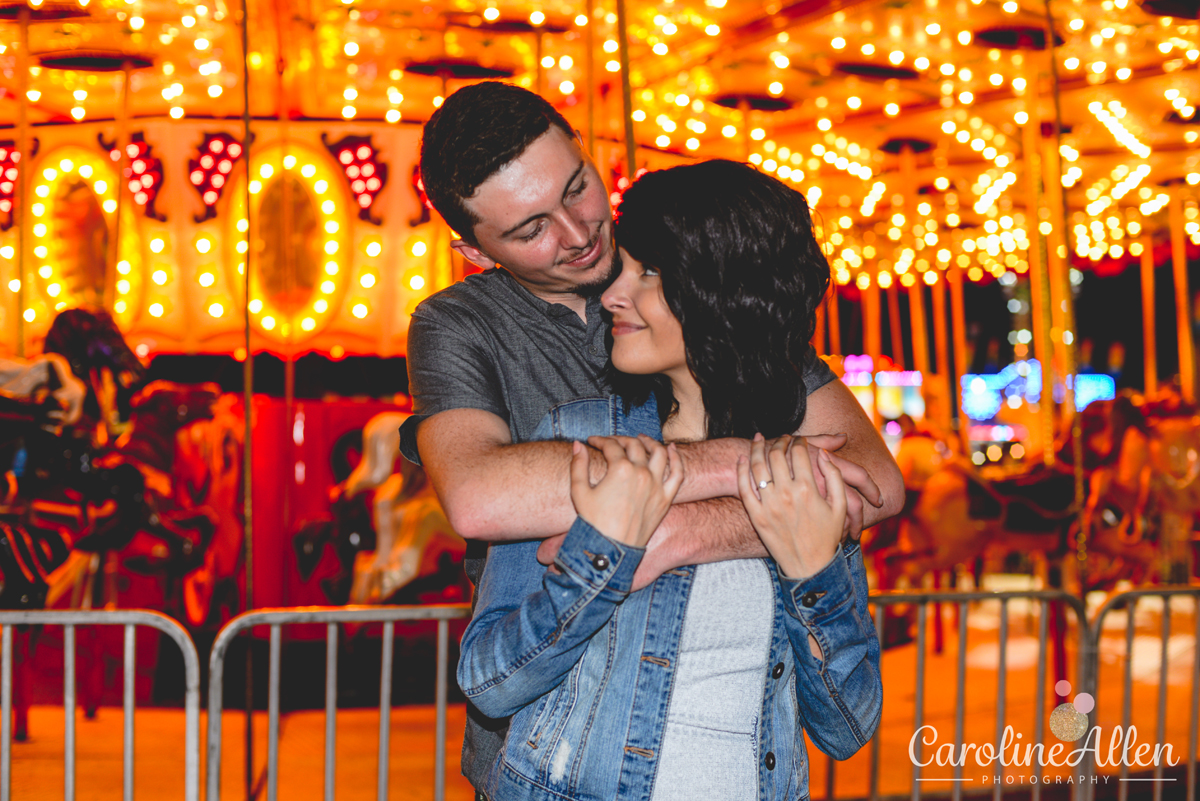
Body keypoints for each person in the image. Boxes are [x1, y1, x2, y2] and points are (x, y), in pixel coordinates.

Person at [405, 82, 903, 793]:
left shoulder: (703, 285)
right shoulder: (459, 326)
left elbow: (872, 481)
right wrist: (745, 466)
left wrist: (676, 533)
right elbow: (480, 496)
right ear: (473, 251)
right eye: (530, 229)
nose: (580, 235)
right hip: (556, 750)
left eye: (577, 188)